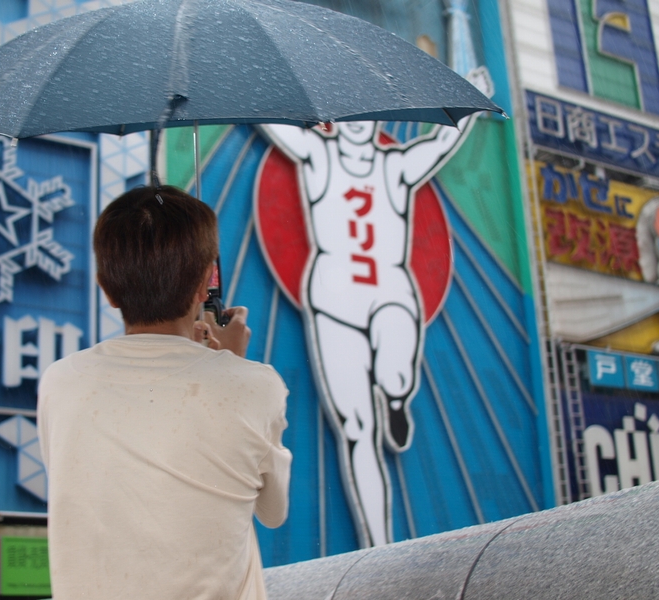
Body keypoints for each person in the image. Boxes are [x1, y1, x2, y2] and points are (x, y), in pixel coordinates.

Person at [258, 65, 492, 547]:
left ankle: (397, 398)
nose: (358, 121)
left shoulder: (395, 167)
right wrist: (246, 77)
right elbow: (272, 124)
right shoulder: (318, 156)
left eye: (367, 112)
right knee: (357, 429)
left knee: (395, 373)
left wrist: (470, 106)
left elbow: (439, 144)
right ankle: (379, 547)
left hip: (390, 295)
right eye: (347, 112)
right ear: (333, 119)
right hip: (333, 303)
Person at [38, 185, 292, 599]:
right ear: (204, 286)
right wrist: (230, 366)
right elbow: (273, 512)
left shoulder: (60, 380)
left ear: (106, 288)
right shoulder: (255, 385)